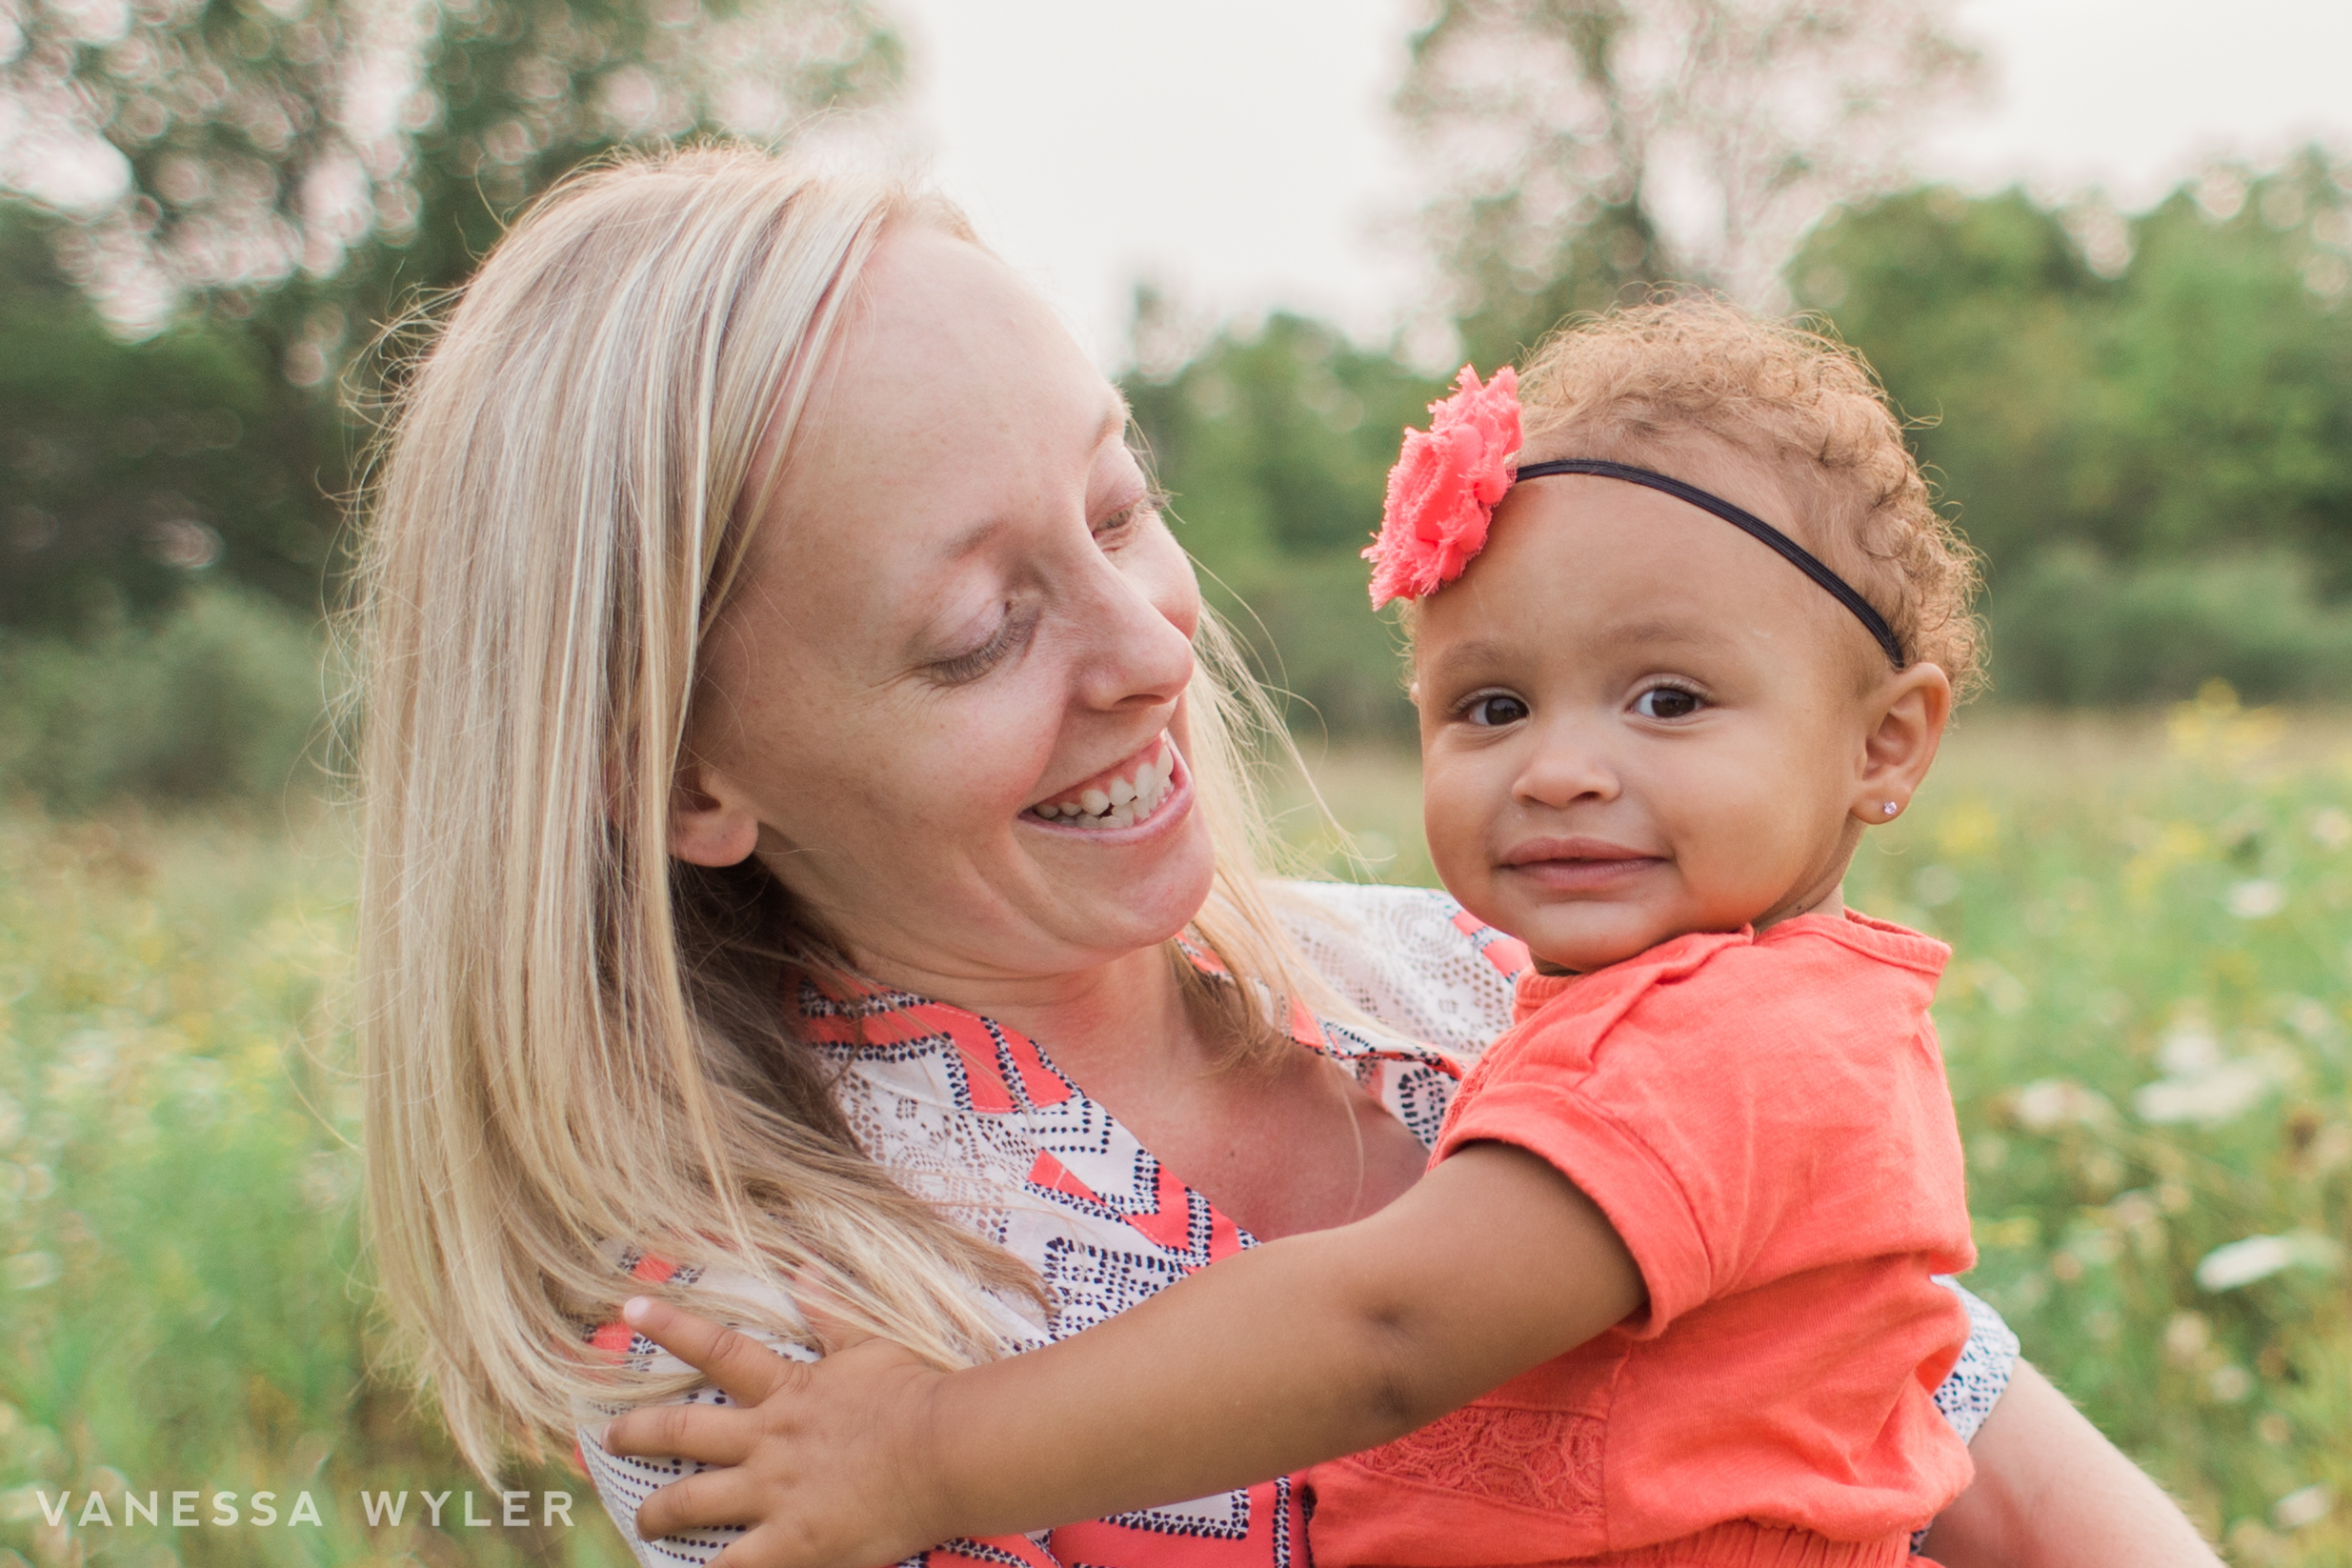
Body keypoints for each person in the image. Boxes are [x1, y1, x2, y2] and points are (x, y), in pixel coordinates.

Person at [350, 142, 2220, 1568]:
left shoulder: (1493, 973)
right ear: (683, 783)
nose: (1156, 646)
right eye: (982, 626)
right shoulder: (752, 1338)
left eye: (1116, 504)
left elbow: (1973, 1441)